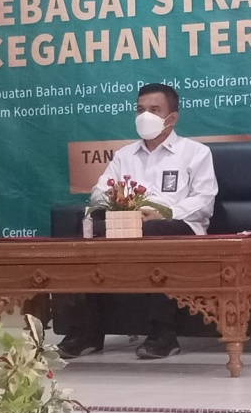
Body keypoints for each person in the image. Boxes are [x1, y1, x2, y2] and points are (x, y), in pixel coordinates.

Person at [56, 83, 218, 360]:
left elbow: (204, 199)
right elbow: (99, 192)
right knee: (85, 228)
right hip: (129, 223)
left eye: (154, 110)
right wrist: (124, 205)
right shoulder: (124, 155)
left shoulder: (195, 152)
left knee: (154, 229)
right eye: (140, 110)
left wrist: (165, 213)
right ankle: (84, 333)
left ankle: (163, 333)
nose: (146, 116)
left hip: (179, 226)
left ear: (172, 117)